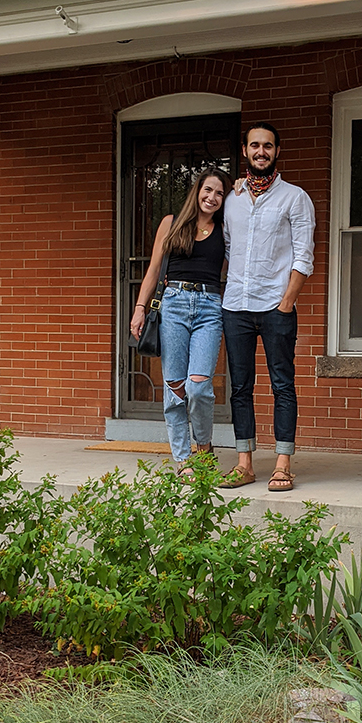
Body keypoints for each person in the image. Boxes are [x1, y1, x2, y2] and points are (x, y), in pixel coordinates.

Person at [219, 124, 314, 491]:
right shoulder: (233, 199)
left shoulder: (295, 198)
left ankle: (283, 464)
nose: (261, 151)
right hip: (236, 306)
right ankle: (244, 464)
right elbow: (228, 249)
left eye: (268, 146)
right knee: (240, 387)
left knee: (282, 385)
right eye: (255, 145)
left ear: (277, 151)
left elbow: (304, 255)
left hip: (276, 306)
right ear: (245, 150)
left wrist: (286, 303)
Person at [130, 168, 232, 475]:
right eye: (208, 190)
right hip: (173, 304)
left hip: (210, 306)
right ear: (197, 190)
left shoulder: (225, 229)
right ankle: (183, 459)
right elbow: (153, 269)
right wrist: (140, 307)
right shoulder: (171, 223)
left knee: (198, 387)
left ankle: (204, 446)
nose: (212, 197)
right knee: (175, 386)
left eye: (220, 193)